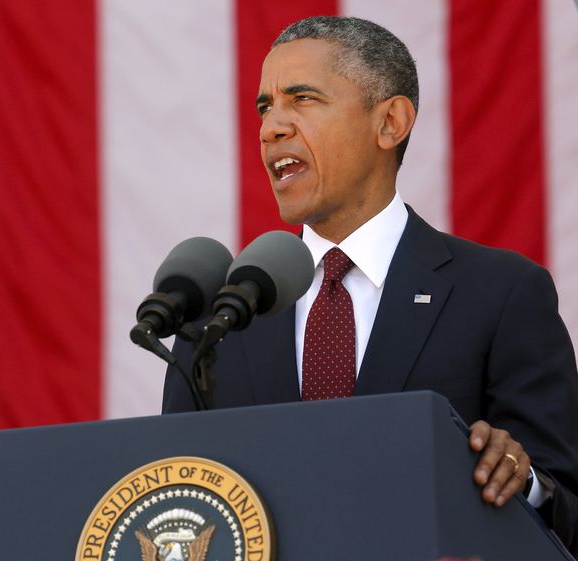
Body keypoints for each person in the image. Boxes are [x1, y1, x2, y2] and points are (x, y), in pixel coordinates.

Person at [161, 16, 578, 554]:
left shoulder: (501, 294)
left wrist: (523, 481)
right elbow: (176, 491)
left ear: (391, 122)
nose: (271, 128)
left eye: (302, 99)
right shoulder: (220, 314)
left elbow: (566, 506)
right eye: (265, 107)